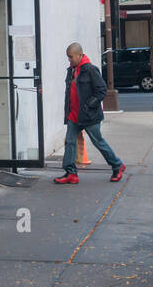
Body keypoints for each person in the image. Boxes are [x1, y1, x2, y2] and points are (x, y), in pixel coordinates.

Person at [54, 42, 126, 185]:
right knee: (69, 142)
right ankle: (70, 173)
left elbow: (101, 90)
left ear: (80, 55)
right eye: (68, 57)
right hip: (74, 115)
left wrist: (88, 106)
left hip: (89, 115)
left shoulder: (91, 70)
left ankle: (118, 166)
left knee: (98, 142)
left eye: (71, 57)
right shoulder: (71, 70)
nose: (69, 59)